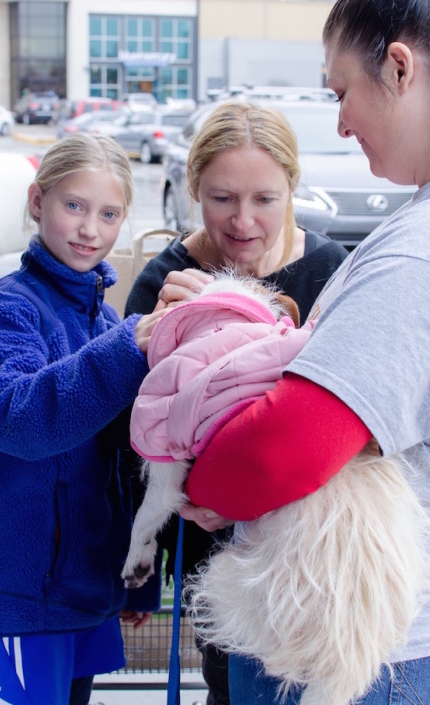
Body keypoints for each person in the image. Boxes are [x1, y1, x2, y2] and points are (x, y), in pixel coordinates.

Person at [174, 1, 430, 703]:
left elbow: (280, 449)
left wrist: (198, 484)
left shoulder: (414, 257)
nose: (341, 121)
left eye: (342, 90)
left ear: (399, 68)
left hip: (354, 652)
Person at [123, 100, 348, 705]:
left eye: (265, 200)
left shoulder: (333, 273)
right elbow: (142, 432)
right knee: (233, 686)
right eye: (222, 198)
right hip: (216, 556)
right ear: (193, 188)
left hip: (316, 552)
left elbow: (353, 420)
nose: (243, 221)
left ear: (293, 188)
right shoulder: (166, 283)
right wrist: (152, 337)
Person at [0, 132, 165, 705]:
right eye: (73, 205)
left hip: (86, 590)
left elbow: (122, 466)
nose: (88, 229)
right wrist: (127, 349)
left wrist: (135, 581)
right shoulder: (4, 310)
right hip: (27, 593)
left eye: (108, 214)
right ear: (37, 201)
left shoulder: (101, 320)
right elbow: (17, 418)